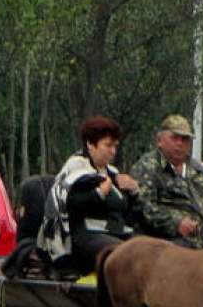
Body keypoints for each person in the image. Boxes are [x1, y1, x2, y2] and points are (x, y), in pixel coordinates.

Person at [38, 115, 143, 276]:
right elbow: (71, 205)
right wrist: (99, 193)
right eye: (108, 145)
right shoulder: (76, 172)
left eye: (115, 146)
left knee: (152, 251)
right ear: (90, 144)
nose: (113, 151)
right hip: (85, 238)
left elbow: (126, 211)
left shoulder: (113, 174)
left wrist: (134, 192)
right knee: (124, 255)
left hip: (119, 233)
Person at [130, 114, 203, 248]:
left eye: (185, 139)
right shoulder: (149, 166)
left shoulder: (195, 168)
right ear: (160, 140)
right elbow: (142, 206)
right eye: (174, 138)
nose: (180, 143)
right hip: (167, 241)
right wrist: (176, 224)